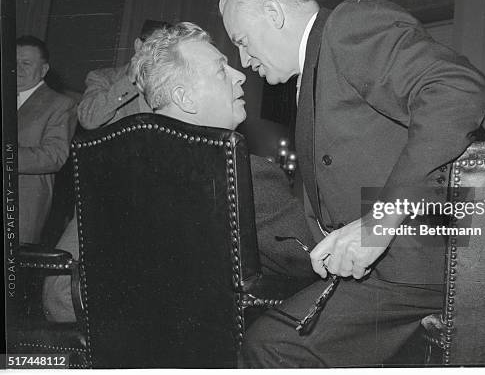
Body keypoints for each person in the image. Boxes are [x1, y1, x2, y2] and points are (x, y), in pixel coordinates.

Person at [219, 0, 485, 367]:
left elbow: (458, 87)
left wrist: (379, 222)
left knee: (272, 346)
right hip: (392, 266)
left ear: (275, 14)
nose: (243, 61)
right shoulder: (314, 65)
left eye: (242, 41)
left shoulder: (347, 25)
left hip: (428, 258)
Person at [42, 22, 314, 322]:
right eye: (222, 70)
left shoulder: (109, 177)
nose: (240, 77)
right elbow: (315, 263)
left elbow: (59, 292)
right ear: (185, 98)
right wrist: (375, 208)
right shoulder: (244, 173)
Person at [17, 35, 77, 244]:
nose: (17, 68)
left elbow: (55, 156)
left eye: (26, 63)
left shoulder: (60, 104)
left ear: (43, 70)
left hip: (21, 206)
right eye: (12, 63)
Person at [76, 19, 171, 130]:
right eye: (156, 48)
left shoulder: (171, 87)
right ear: (139, 45)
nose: (161, 57)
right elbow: (88, 120)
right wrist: (128, 81)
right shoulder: (104, 78)